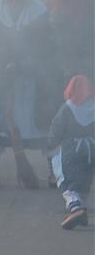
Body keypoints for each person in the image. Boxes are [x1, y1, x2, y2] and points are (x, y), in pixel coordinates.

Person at [0, 0, 56, 187]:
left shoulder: (39, 17)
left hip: (32, 84)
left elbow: (45, 52)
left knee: (43, 131)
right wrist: (2, 65)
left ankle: (54, 175)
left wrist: (23, 66)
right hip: (5, 82)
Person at [49, 75, 94, 229]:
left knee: (68, 182)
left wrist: (51, 144)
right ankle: (82, 212)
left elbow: (56, 128)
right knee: (84, 181)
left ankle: (76, 209)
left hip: (72, 149)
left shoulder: (67, 108)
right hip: (92, 149)